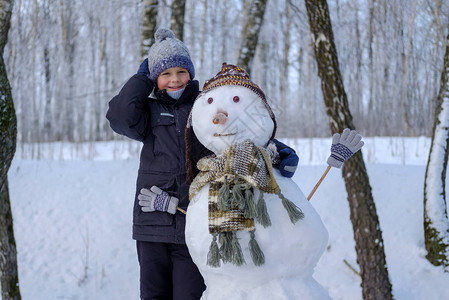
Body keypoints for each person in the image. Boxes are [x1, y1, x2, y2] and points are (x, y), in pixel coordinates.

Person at [106, 28, 299, 300]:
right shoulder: (147, 113)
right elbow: (119, 115)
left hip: (193, 221)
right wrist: (141, 79)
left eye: (181, 72)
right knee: (153, 295)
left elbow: (237, 135)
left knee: (189, 295)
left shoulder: (202, 107)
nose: (174, 80)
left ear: (191, 73)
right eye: (165, 73)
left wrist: (277, 149)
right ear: (154, 78)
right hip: (152, 224)